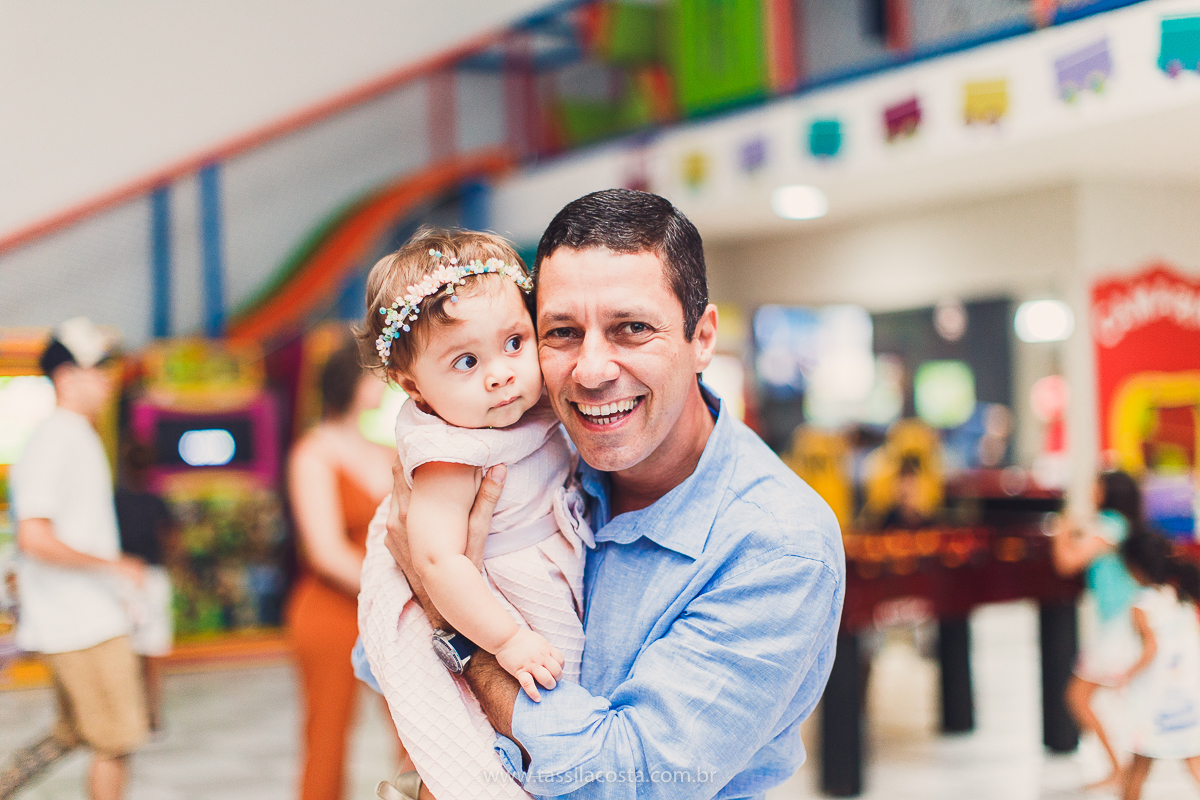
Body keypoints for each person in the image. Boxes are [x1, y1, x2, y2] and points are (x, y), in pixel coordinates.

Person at [362, 189, 845, 800]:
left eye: (632, 329)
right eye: (562, 332)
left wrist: (457, 630)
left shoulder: (777, 546)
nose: (591, 372)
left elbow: (628, 781)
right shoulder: (532, 448)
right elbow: (377, 654)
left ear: (702, 338)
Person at [358, 230, 593, 800]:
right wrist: (507, 640)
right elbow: (437, 561)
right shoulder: (451, 454)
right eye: (466, 361)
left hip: (545, 567)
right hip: (494, 598)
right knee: (525, 713)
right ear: (414, 388)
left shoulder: (530, 407)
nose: (500, 373)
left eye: (514, 342)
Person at [0, 317, 149, 800]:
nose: (107, 378)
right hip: (81, 623)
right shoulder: (55, 439)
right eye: (96, 368)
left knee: (74, 732)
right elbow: (34, 537)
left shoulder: (75, 436)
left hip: (82, 617)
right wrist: (114, 566)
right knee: (117, 741)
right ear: (65, 376)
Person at [287, 339, 406, 800]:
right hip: (332, 610)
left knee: (419, 734)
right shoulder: (313, 453)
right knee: (327, 734)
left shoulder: (388, 448)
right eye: (374, 376)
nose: (384, 385)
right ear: (350, 383)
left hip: (393, 610)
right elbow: (325, 551)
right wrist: (398, 588)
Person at [1051, 470, 1144, 790]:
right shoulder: (1118, 525)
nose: (1092, 491)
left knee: (1079, 696)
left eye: (1097, 487)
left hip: (1118, 626)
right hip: (1118, 624)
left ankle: (1121, 768)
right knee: (1112, 697)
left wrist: (1062, 530)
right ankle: (1122, 769)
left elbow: (1067, 562)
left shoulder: (1110, 525)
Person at [1115, 530, 1200, 800]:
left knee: (1138, 764)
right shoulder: (1181, 593)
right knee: (1194, 760)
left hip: (1154, 698)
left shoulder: (1141, 604)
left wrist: (1126, 674)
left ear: (1134, 568)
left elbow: (1151, 648)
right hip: (1187, 694)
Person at [114, 441, 175, 734]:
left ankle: (136, 714)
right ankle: (151, 714)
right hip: (148, 580)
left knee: (128, 649)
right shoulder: (156, 502)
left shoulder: (114, 502)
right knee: (151, 649)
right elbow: (171, 539)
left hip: (123, 578)